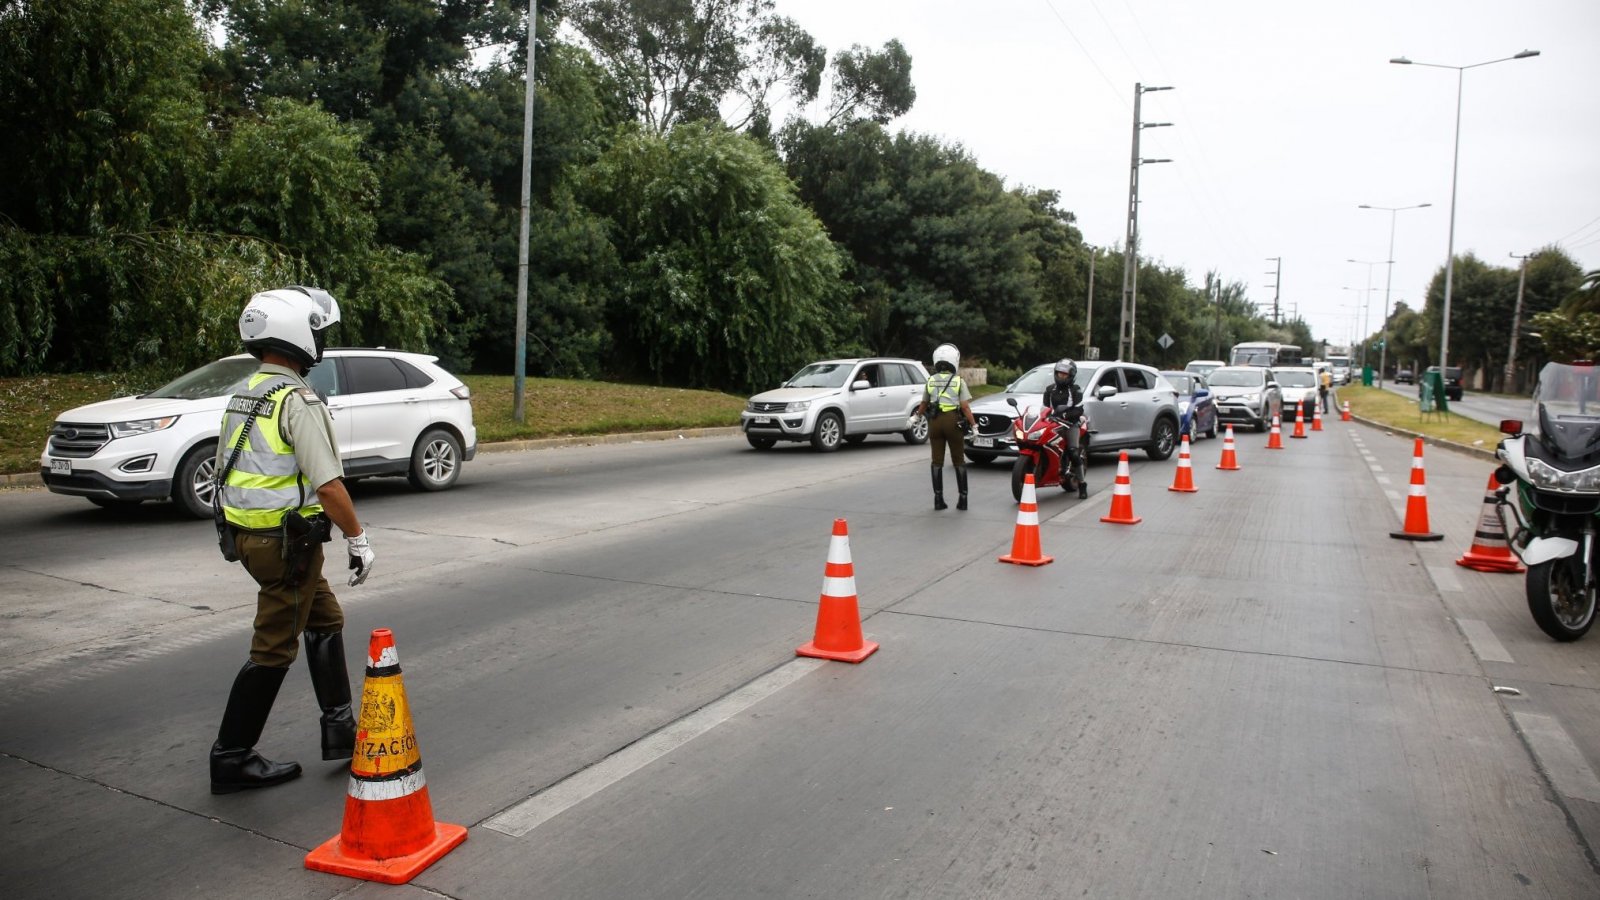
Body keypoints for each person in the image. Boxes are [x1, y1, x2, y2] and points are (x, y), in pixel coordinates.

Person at [209, 286, 377, 794]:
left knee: (324, 617)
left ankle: (339, 729)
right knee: (273, 648)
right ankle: (232, 756)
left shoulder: (247, 393)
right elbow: (328, 484)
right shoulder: (297, 400)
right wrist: (358, 538)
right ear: (296, 335)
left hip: (250, 538)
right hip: (286, 546)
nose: (321, 341)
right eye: (318, 331)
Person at [916, 343, 978, 511]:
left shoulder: (930, 381)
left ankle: (938, 500)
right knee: (959, 460)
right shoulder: (958, 381)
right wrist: (974, 425)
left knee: (936, 461)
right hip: (953, 421)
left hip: (935, 422)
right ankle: (962, 500)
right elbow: (965, 407)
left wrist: (916, 417)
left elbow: (923, 403)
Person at [1041, 358, 1085, 485]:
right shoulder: (1049, 390)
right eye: (1060, 373)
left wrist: (1065, 415)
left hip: (1071, 424)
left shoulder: (1075, 390)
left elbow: (1079, 410)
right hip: (1052, 424)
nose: (1061, 376)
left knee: (1073, 452)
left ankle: (1082, 483)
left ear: (1071, 376)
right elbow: (1045, 408)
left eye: (1065, 374)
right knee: (1041, 443)